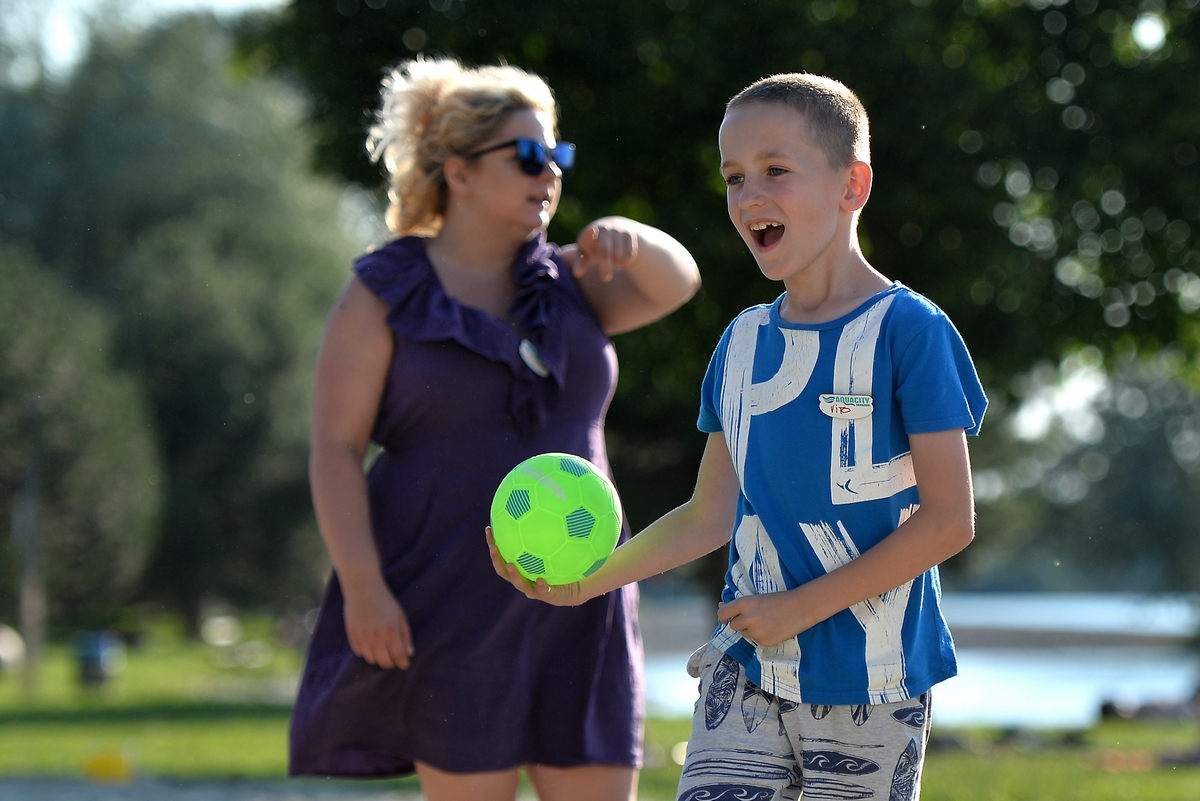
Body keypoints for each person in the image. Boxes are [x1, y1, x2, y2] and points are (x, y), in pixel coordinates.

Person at [491, 72, 987, 801]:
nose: (750, 196)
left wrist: (801, 606)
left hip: (874, 689)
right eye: (733, 178)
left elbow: (951, 520)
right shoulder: (742, 343)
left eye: (775, 171)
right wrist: (580, 586)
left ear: (853, 185)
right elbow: (708, 514)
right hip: (746, 672)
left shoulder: (912, 332)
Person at [289, 56, 701, 801]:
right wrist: (361, 586)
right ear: (460, 171)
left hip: (586, 585)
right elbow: (334, 447)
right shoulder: (383, 293)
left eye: (558, 156)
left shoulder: (573, 280)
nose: (550, 173)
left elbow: (680, 283)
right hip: (448, 591)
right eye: (528, 155)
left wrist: (634, 237)